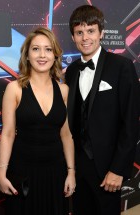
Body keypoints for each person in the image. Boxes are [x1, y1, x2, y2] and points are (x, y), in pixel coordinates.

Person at [65, 5, 140, 215]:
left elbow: (131, 123)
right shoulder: (71, 71)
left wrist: (118, 169)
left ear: (101, 33)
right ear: (73, 36)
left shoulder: (122, 66)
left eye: (91, 31)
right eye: (79, 32)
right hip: (78, 168)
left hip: (108, 169)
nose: (85, 37)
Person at [0, 26, 76, 215]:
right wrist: (1, 173)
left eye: (48, 49)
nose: (42, 55)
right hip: (23, 172)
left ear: (55, 55)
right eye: (36, 49)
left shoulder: (63, 90)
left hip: (55, 173)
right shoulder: (14, 89)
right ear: (27, 55)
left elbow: (66, 135)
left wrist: (71, 172)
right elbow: (7, 134)